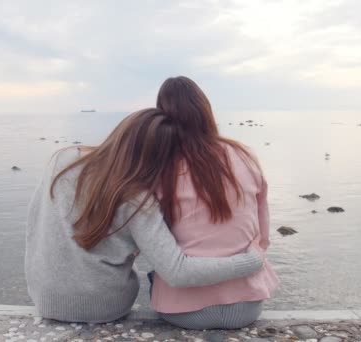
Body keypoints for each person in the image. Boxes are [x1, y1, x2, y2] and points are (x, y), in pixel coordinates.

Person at [25, 108, 265, 323]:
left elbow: (35, 225)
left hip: (44, 299)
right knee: (156, 277)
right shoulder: (138, 199)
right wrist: (249, 262)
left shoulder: (61, 160)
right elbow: (178, 272)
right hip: (106, 308)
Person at [148, 76, 279, 329]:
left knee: (153, 276)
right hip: (247, 306)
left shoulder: (160, 167)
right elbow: (263, 237)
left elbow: (148, 241)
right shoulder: (244, 154)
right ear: (205, 111)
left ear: (161, 116)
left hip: (182, 310)